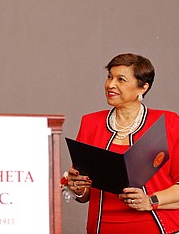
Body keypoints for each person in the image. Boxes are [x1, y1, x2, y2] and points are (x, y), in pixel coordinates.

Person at [65, 53, 179, 234]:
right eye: (109, 77)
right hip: (102, 228)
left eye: (121, 79)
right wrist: (77, 187)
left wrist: (151, 201)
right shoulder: (90, 122)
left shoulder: (168, 122)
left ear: (143, 87)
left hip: (157, 228)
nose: (111, 85)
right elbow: (84, 194)